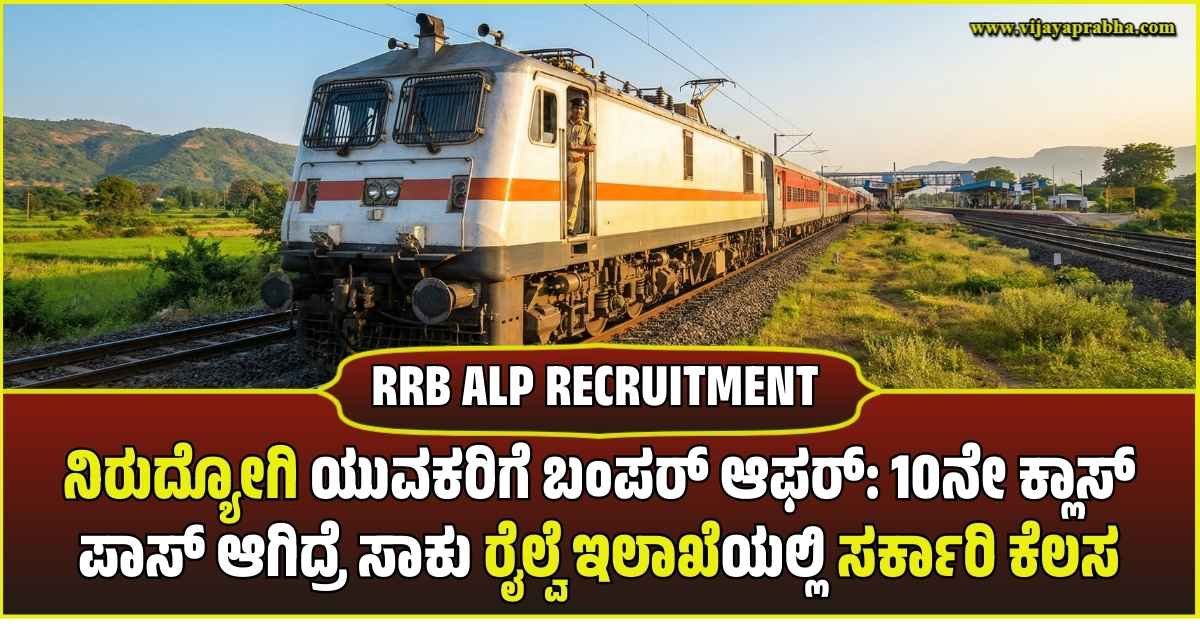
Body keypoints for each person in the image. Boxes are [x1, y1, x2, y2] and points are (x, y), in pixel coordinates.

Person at [566, 97, 596, 236]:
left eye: (581, 108)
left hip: (578, 164)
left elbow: (593, 147)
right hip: (561, 163)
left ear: (584, 111)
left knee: (574, 198)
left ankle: (569, 226)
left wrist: (577, 146)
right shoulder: (562, 123)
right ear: (571, 109)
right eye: (576, 108)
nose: (578, 111)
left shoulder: (587, 127)